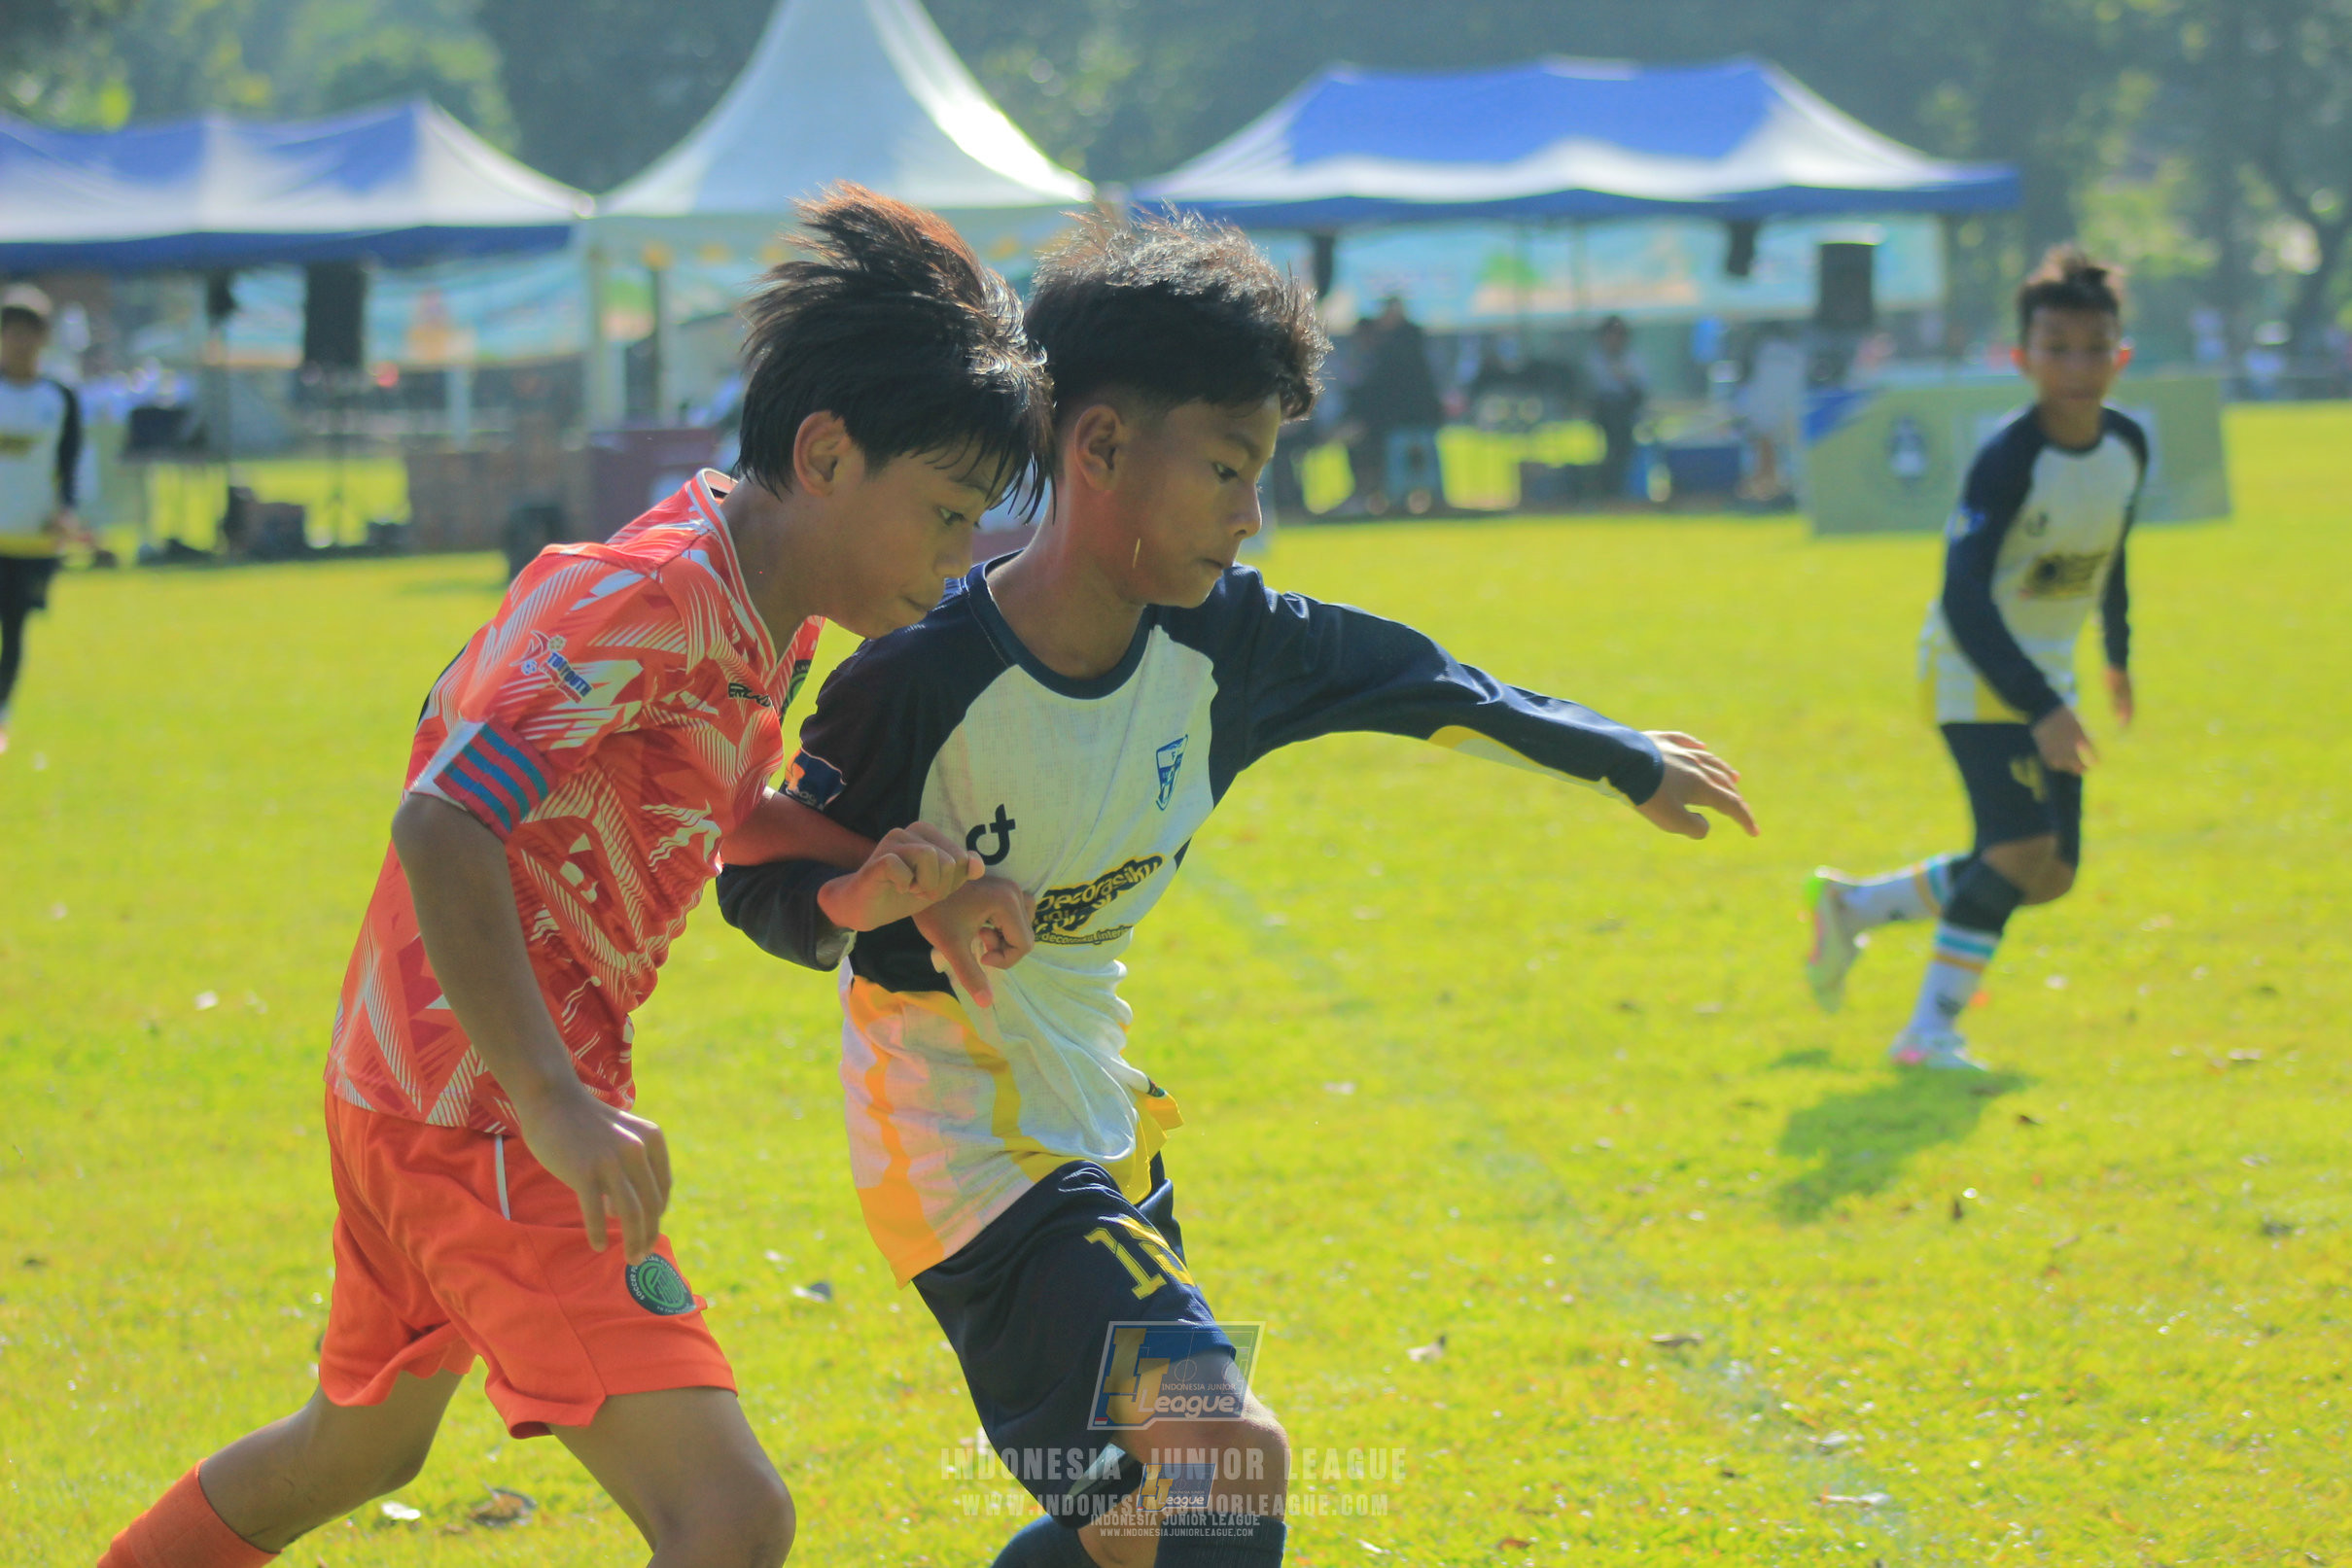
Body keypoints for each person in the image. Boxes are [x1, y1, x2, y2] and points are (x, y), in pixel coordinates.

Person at [713, 212, 1758, 1568]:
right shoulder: (913, 680)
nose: (1250, 514)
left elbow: (1427, 686)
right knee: (1228, 1458)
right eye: (1225, 467)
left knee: (1152, 1526)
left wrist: (1617, 758)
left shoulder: (1233, 646)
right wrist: (883, 893)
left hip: (1095, 1123)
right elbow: (762, 863)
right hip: (960, 1144)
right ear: (1094, 449)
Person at [95, 187, 1052, 1568]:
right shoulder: (646, 603)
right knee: (726, 1515)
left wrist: (884, 875)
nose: (963, 559)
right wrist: (551, 1100)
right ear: (827, 454)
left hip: (415, 1086)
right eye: (949, 514)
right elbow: (444, 825)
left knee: (361, 1445)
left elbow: (701, 813)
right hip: (481, 1103)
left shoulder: (753, 600)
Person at [1806, 246, 2143, 1071]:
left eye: (2093, 346)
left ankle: (1855, 905)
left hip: (2047, 676)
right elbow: (1963, 595)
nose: (2075, 364)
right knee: (2019, 848)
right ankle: (1927, 1034)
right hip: (1974, 667)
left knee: (2049, 871)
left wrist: (2117, 652)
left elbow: (2111, 548)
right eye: (2055, 346)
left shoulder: (2127, 443)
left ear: (2120, 356)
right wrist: (2042, 708)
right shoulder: (2007, 457)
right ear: (2021, 356)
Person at [0, 284, 92, 756]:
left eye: (27, 333)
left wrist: (67, 512)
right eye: (9, 332)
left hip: (32, 538)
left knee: (13, 627)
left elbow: (70, 462)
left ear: (43, 338)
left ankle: (1, 712)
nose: (18, 342)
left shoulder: (58, 397)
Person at [1349, 295, 1446, 511]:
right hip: (1407, 415)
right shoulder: (1407, 340)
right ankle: (1414, 500)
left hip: (1411, 413)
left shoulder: (1403, 341)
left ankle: (1410, 500)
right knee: (1409, 460)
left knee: (1413, 459)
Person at [1582, 314, 1645, 499]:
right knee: (1606, 453)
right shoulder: (1594, 359)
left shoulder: (1633, 359)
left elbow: (1639, 387)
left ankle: (1619, 491)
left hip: (1626, 411)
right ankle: (1603, 491)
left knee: (1624, 452)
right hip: (1602, 411)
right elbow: (1594, 388)